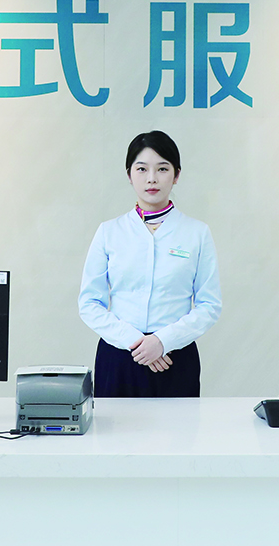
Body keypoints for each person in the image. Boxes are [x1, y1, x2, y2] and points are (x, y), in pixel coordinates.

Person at [79, 131, 221, 398]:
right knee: (114, 427)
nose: (152, 178)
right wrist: (137, 343)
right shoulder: (109, 232)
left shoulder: (197, 233)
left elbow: (209, 305)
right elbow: (89, 303)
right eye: (142, 169)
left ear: (176, 175)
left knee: (179, 426)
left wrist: (163, 342)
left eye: (162, 169)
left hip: (174, 357)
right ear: (129, 175)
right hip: (119, 356)